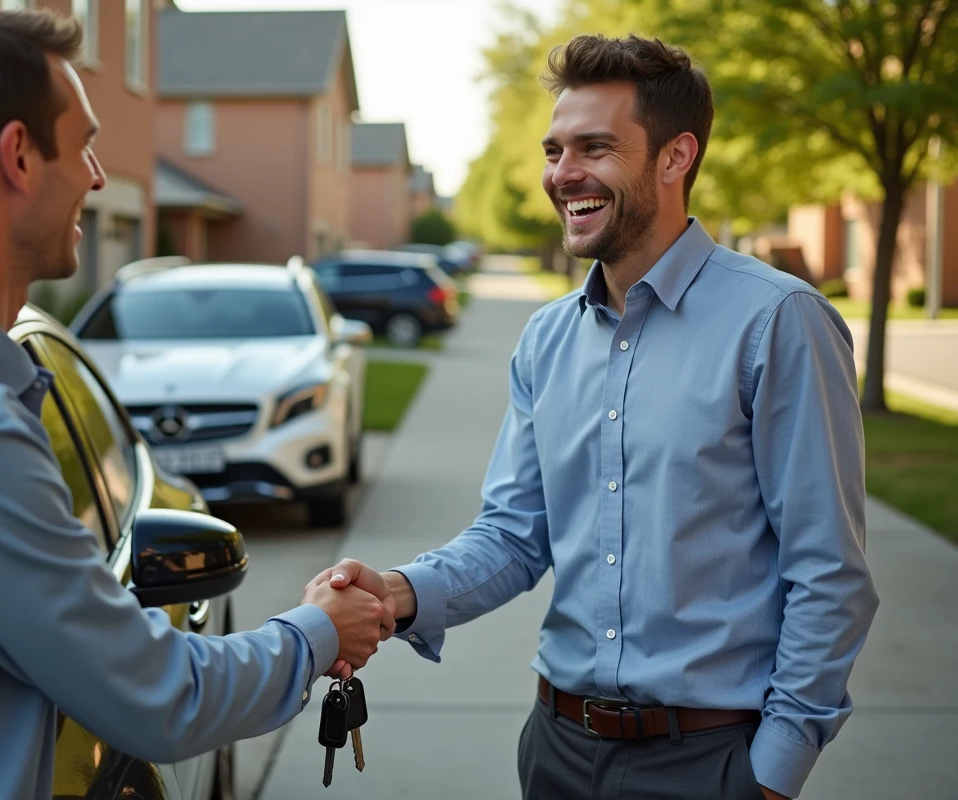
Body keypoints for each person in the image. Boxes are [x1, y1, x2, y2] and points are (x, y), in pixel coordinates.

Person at [0, 8, 392, 798]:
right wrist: (318, 632)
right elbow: (160, 697)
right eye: (85, 144)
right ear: (18, 155)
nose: (97, 176)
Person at [319, 34, 879, 800]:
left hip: (709, 763)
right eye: (554, 150)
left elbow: (829, 574)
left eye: (594, 147)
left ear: (675, 158)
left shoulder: (778, 322)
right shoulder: (547, 338)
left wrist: (771, 776)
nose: (562, 174)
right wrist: (398, 592)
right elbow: (515, 535)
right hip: (556, 751)